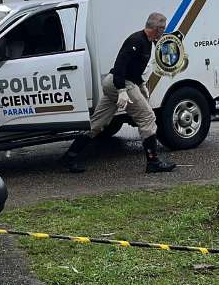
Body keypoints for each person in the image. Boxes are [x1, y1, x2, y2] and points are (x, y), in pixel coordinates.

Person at [62, 12, 177, 174]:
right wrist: (122, 90)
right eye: (162, 29)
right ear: (156, 28)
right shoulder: (136, 40)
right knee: (147, 117)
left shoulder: (148, 43)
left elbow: (134, 69)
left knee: (97, 123)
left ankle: (69, 156)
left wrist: (142, 85)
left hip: (118, 82)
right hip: (118, 82)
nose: (163, 32)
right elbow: (120, 65)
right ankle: (153, 162)